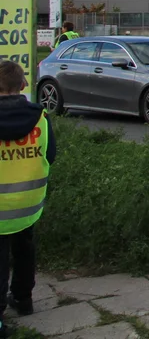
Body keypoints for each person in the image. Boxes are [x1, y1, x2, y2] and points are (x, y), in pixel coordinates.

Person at [0, 61, 57, 337]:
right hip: (28, 203)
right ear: (23, 86)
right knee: (24, 250)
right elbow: (50, 155)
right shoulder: (41, 118)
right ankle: (23, 299)